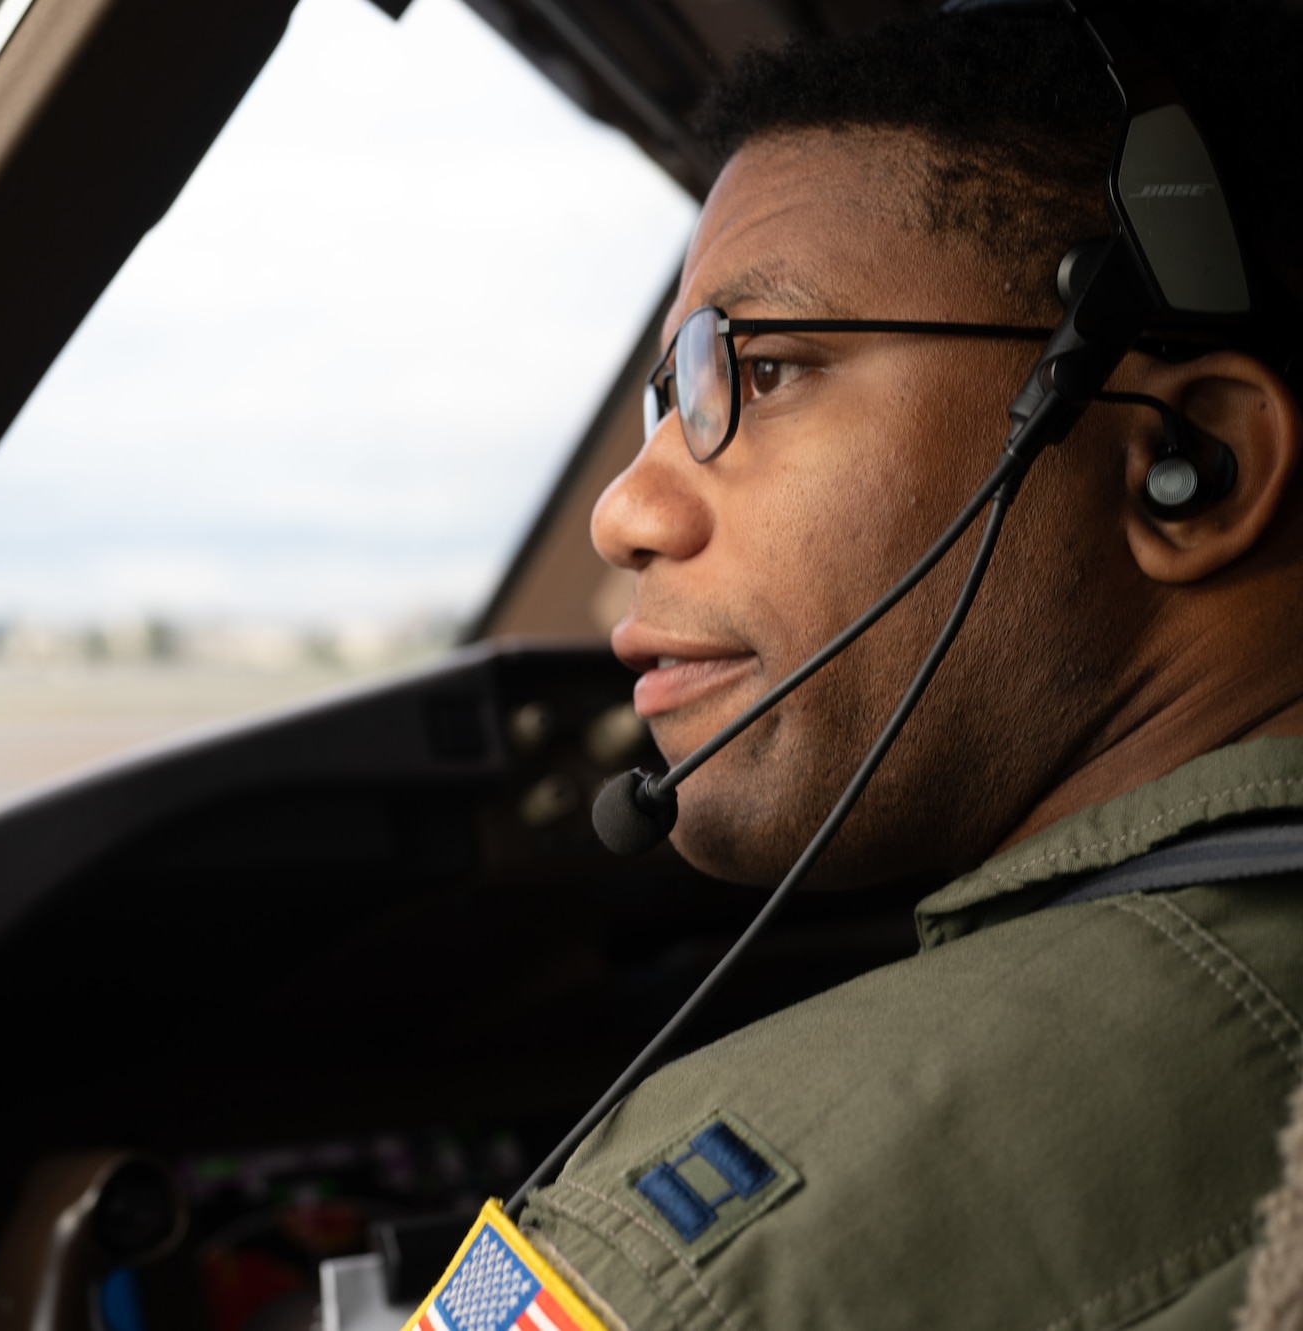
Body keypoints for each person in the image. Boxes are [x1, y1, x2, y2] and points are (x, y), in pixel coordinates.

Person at [510, 2, 1303, 1327]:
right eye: (669, 399)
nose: (625, 511)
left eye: (757, 372)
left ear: (1188, 468)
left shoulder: (654, 1256)